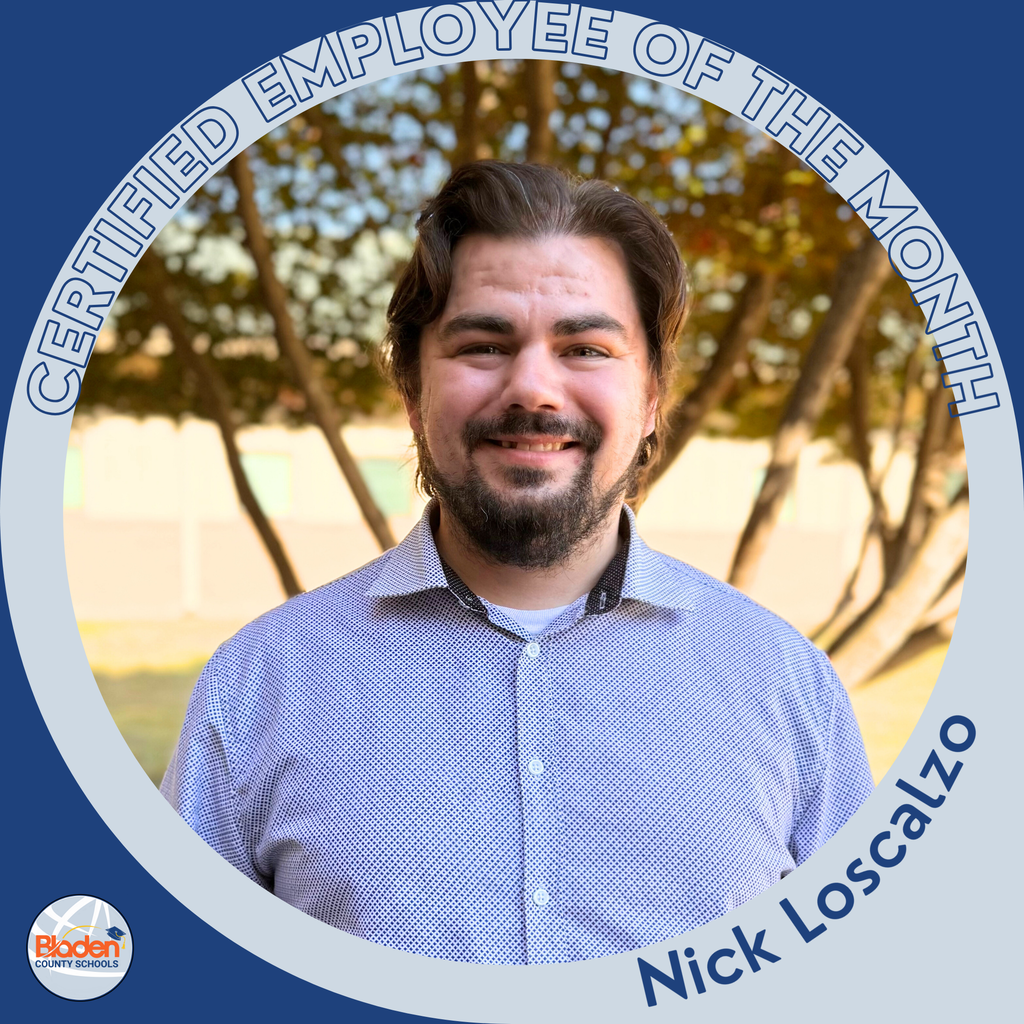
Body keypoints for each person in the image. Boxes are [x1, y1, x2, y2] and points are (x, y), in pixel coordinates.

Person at [161, 161, 874, 965]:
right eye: (484, 343)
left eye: (585, 346)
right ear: (411, 387)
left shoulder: (790, 690)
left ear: (651, 399)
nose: (533, 386)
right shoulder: (256, 687)